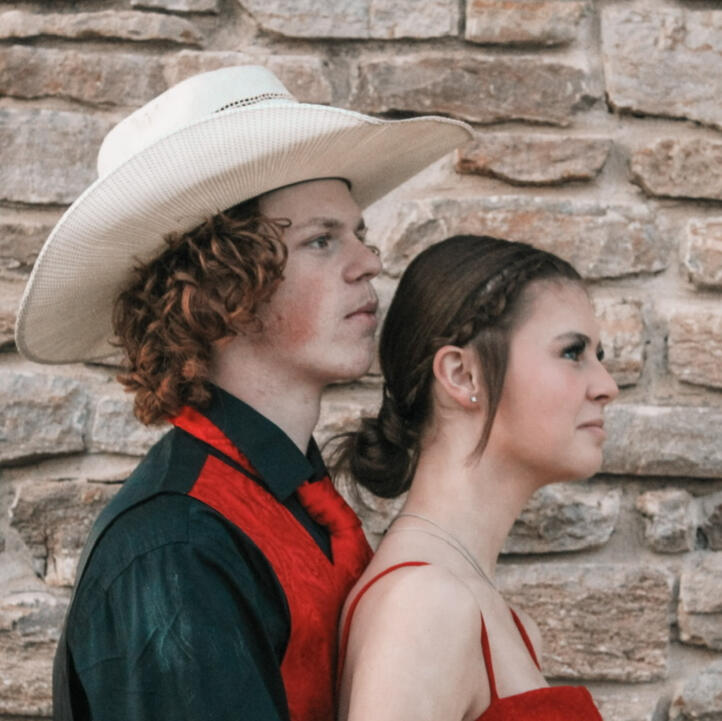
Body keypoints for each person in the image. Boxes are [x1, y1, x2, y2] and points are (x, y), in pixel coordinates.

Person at [13, 66, 472, 721]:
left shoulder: (290, 500)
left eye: (359, 234)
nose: (369, 262)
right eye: (322, 240)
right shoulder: (177, 548)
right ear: (224, 287)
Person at [334, 234, 619, 721]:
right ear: (462, 375)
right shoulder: (425, 605)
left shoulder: (509, 625)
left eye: (599, 355)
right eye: (573, 353)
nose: (606, 386)